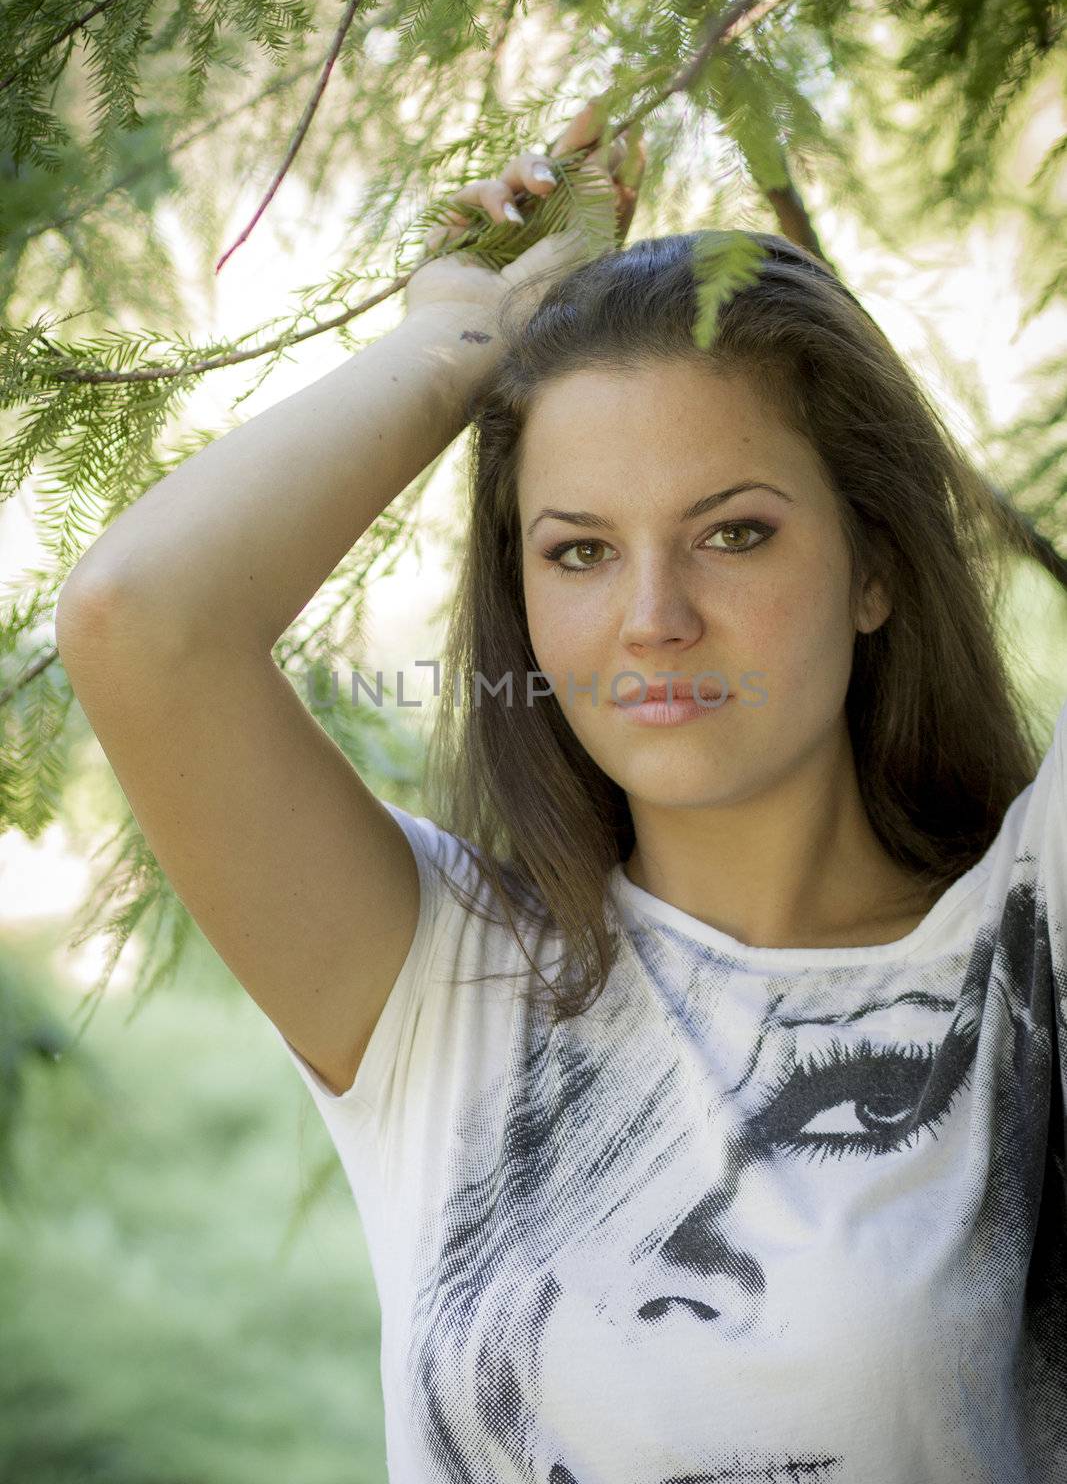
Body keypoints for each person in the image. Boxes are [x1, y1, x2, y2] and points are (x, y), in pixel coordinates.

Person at [55, 97, 1067, 1483]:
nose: (653, 617)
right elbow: (139, 621)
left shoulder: (1028, 944)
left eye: (734, 532)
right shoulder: (443, 985)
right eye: (580, 552)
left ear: (875, 566)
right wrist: (458, 340)